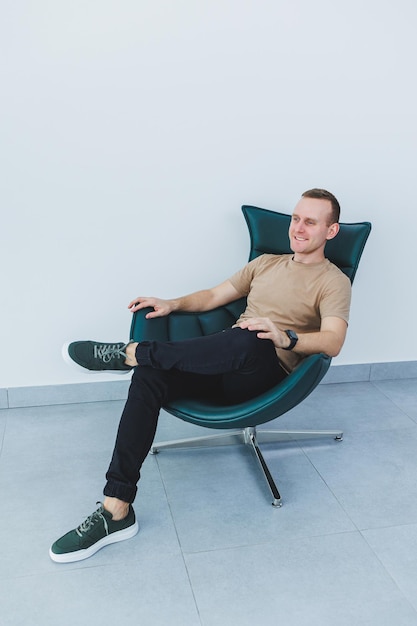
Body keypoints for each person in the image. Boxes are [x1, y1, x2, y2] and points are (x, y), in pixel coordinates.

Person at [49, 188, 351, 563]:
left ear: (331, 231)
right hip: (221, 362)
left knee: (252, 337)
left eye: (310, 222)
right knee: (148, 377)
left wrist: (283, 336)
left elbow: (334, 340)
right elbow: (212, 296)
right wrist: (172, 303)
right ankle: (116, 509)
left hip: (265, 374)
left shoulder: (333, 280)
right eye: (295, 218)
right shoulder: (266, 264)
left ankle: (130, 353)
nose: (298, 228)